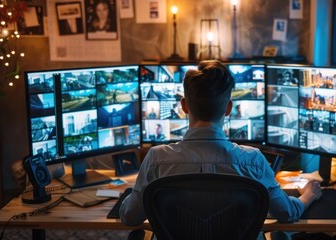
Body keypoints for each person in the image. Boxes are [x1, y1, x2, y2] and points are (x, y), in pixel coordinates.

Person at [119, 60, 322, 239]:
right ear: (228, 108)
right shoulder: (253, 160)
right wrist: (308, 195)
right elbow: (287, 213)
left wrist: (139, 188)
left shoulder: (156, 159)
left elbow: (130, 217)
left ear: (184, 106)